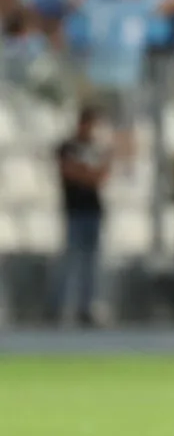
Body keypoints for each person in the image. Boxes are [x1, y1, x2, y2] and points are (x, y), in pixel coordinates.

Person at [50, 106, 110, 326]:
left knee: (92, 262)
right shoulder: (68, 147)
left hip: (93, 210)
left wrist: (84, 173)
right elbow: (69, 171)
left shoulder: (96, 147)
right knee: (70, 259)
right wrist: (87, 173)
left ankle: (87, 307)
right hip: (74, 209)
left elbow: (102, 175)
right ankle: (60, 306)